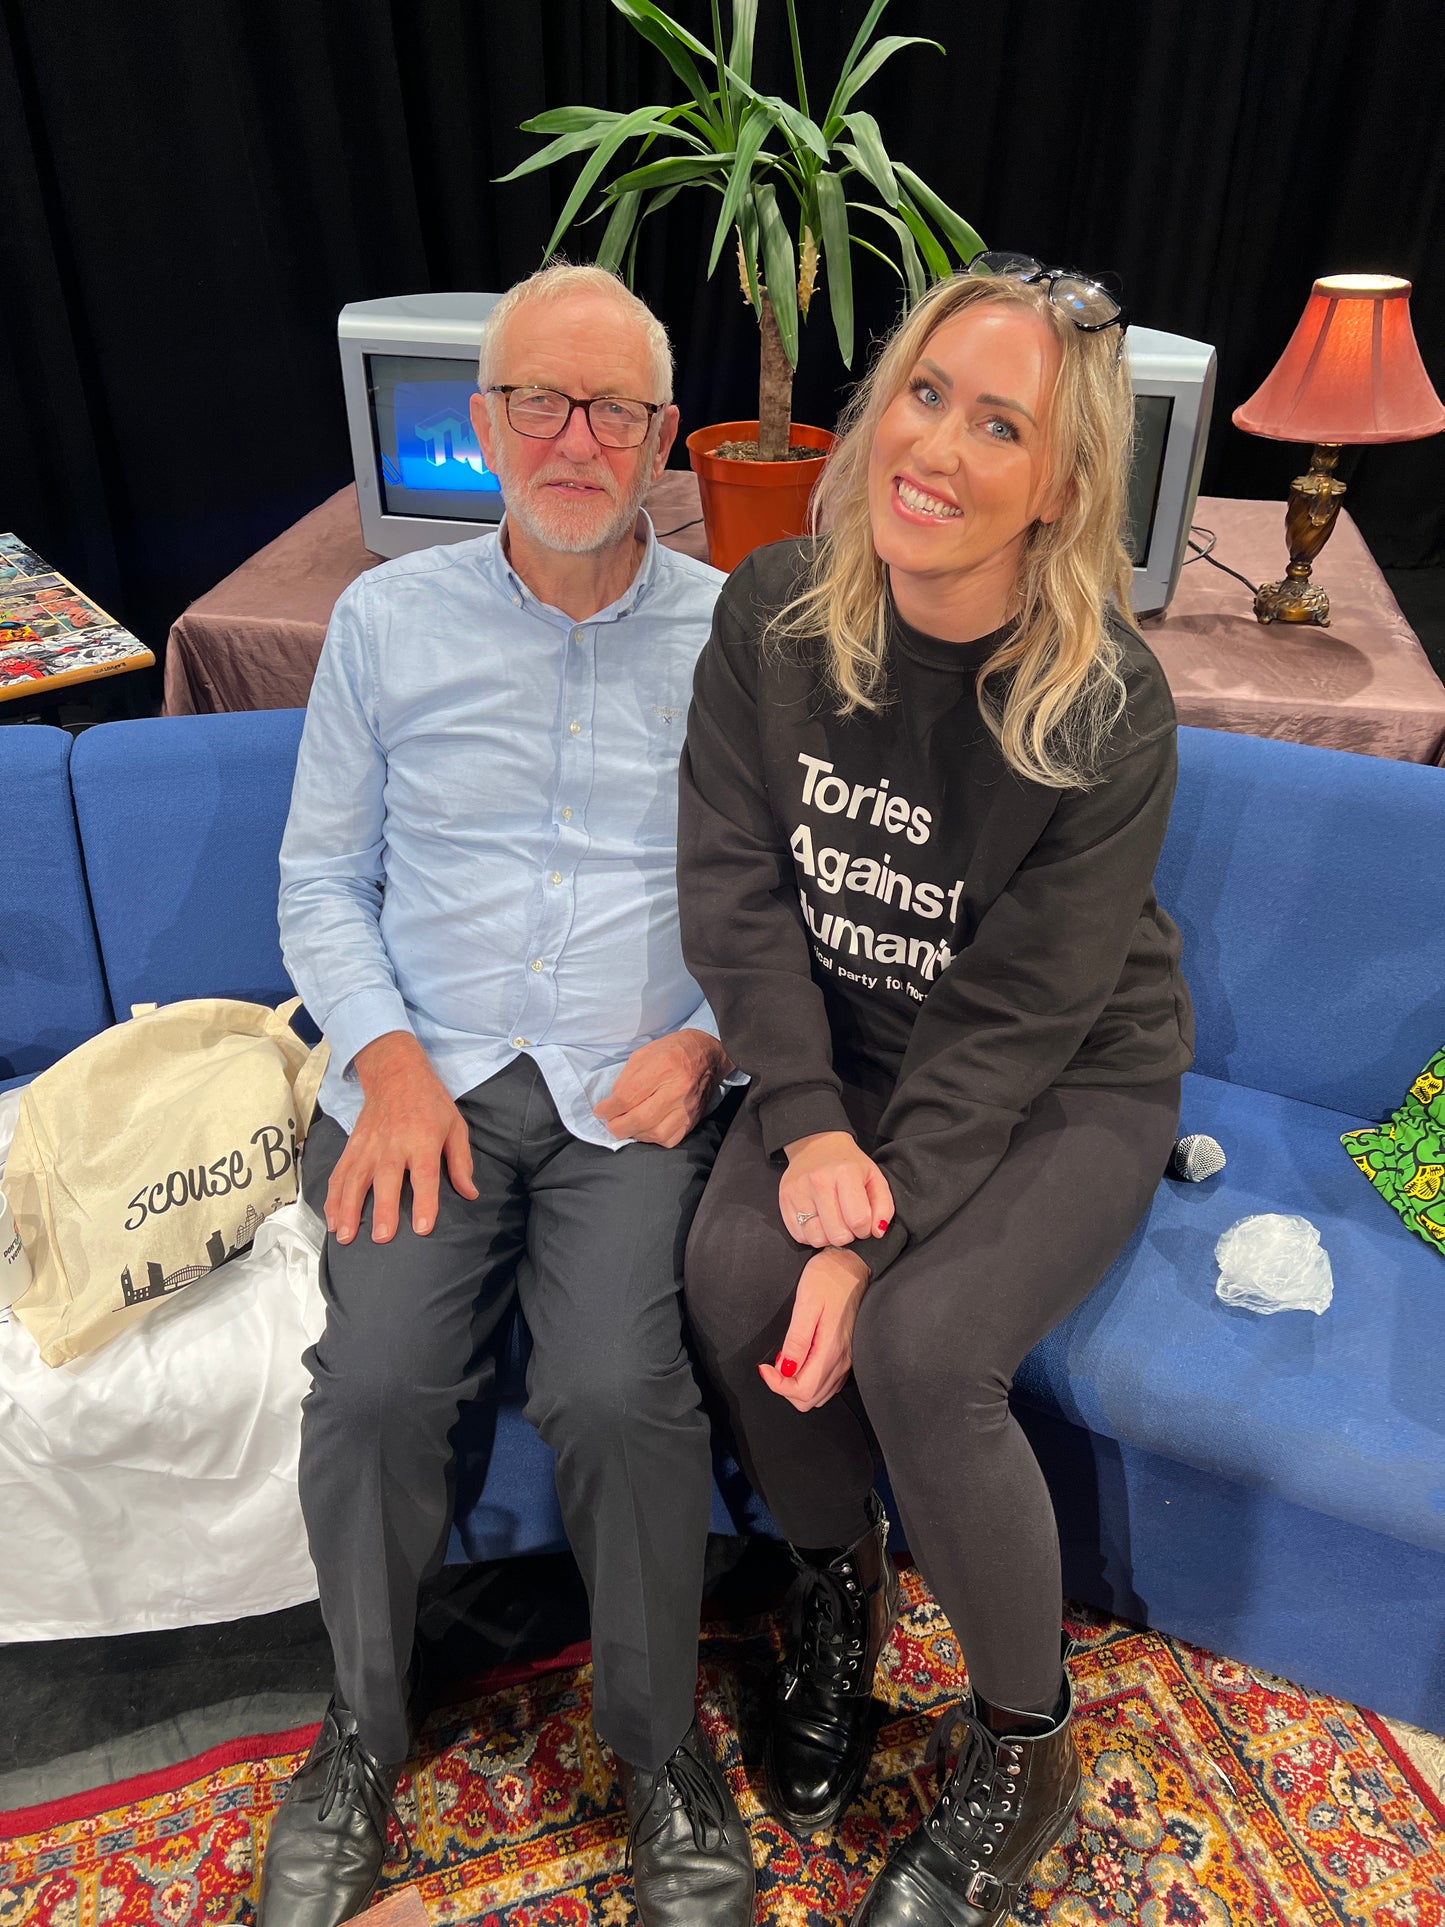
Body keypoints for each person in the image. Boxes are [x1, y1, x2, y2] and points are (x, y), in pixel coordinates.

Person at [678, 258, 1193, 1927]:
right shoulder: (766, 614)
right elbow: (736, 892)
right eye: (922, 394)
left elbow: (1021, 1015)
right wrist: (808, 1123)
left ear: (1059, 486)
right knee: (724, 1269)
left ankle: (1024, 1741)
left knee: (915, 1344)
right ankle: (838, 1587)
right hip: (851, 1049)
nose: (939, 450)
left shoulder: (1105, 707)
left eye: (1000, 425)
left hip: (1058, 1080)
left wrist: (866, 1236)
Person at [264, 263, 754, 1927]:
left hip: (637, 1090)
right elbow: (322, 882)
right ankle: (357, 1731)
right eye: (535, 401)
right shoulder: (387, 626)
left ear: (661, 437)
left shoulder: (736, 639)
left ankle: (655, 1746)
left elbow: (768, 892)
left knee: (621, 1394)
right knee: (379, 1386)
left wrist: (705, 1039)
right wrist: (385, 1055)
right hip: (430, 1079)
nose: (570, 435)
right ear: (482, 425)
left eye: (610, 406)